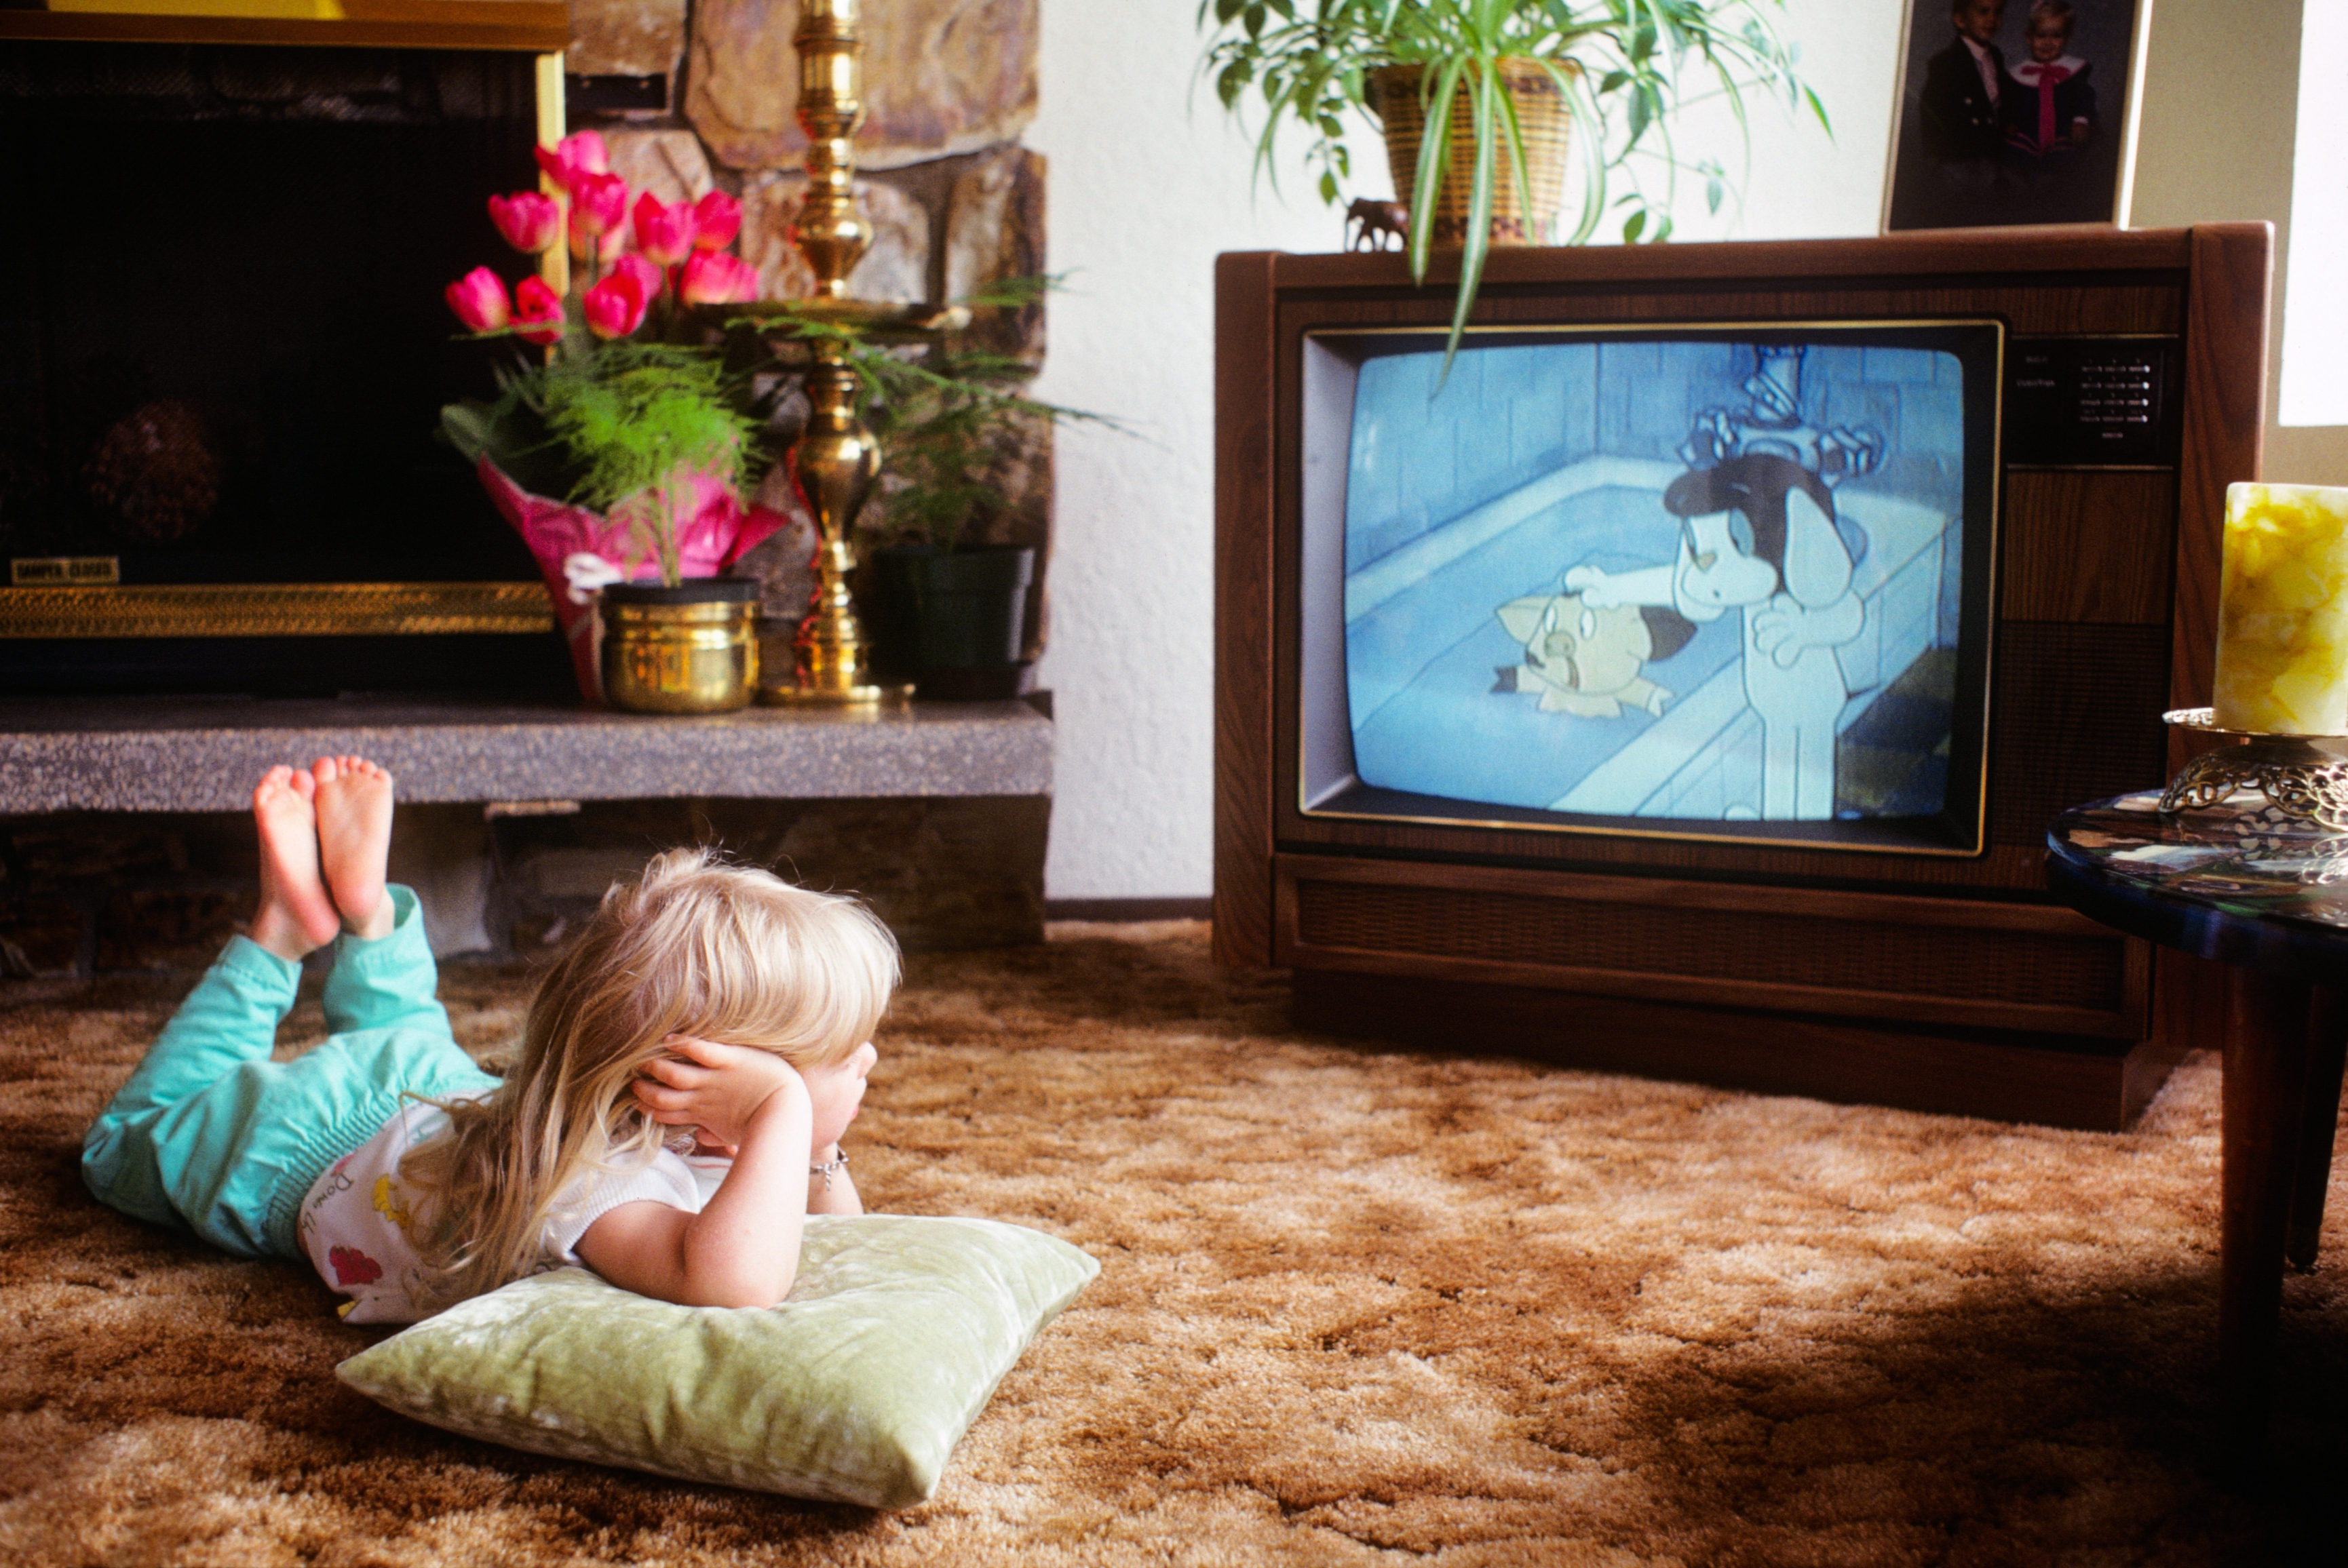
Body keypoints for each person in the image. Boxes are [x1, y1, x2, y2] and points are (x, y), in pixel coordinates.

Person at [81, 757, 898, 1323]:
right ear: (692, 1077)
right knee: (127, 1142)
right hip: (305, 1142)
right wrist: (786, 1110)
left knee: (400, 1028)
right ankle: (280, 933)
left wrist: (809, 1144)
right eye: (830, 1051)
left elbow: (839, 1239)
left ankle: (368, 919)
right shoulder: (595, 1183)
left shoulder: (669, 1123)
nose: (864, 1060)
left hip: (438, 1087)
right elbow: (735, 1284)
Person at [1917, 0, 2012, 165]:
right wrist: (1937, 156)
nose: (1992, 18)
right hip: (1962, 158)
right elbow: (1931, 112)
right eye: (1983, 11)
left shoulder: (1996, 57)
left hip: (1995, 154)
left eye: (1997, 12)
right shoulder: (1946, 63)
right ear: (1961, 20)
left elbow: (1998, 104)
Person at [2003, 0, 2096, 158]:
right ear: (2029, 38)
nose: (2048, 42)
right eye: (2041, 35)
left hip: (2064, 138)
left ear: (2067, 37)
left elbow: (2084, 99)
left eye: (2057, 36)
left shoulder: (2074, 72)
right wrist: (2008, 121)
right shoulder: (2017, 75)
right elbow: (2009, 103)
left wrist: (2081, 121)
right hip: (2026, 139)